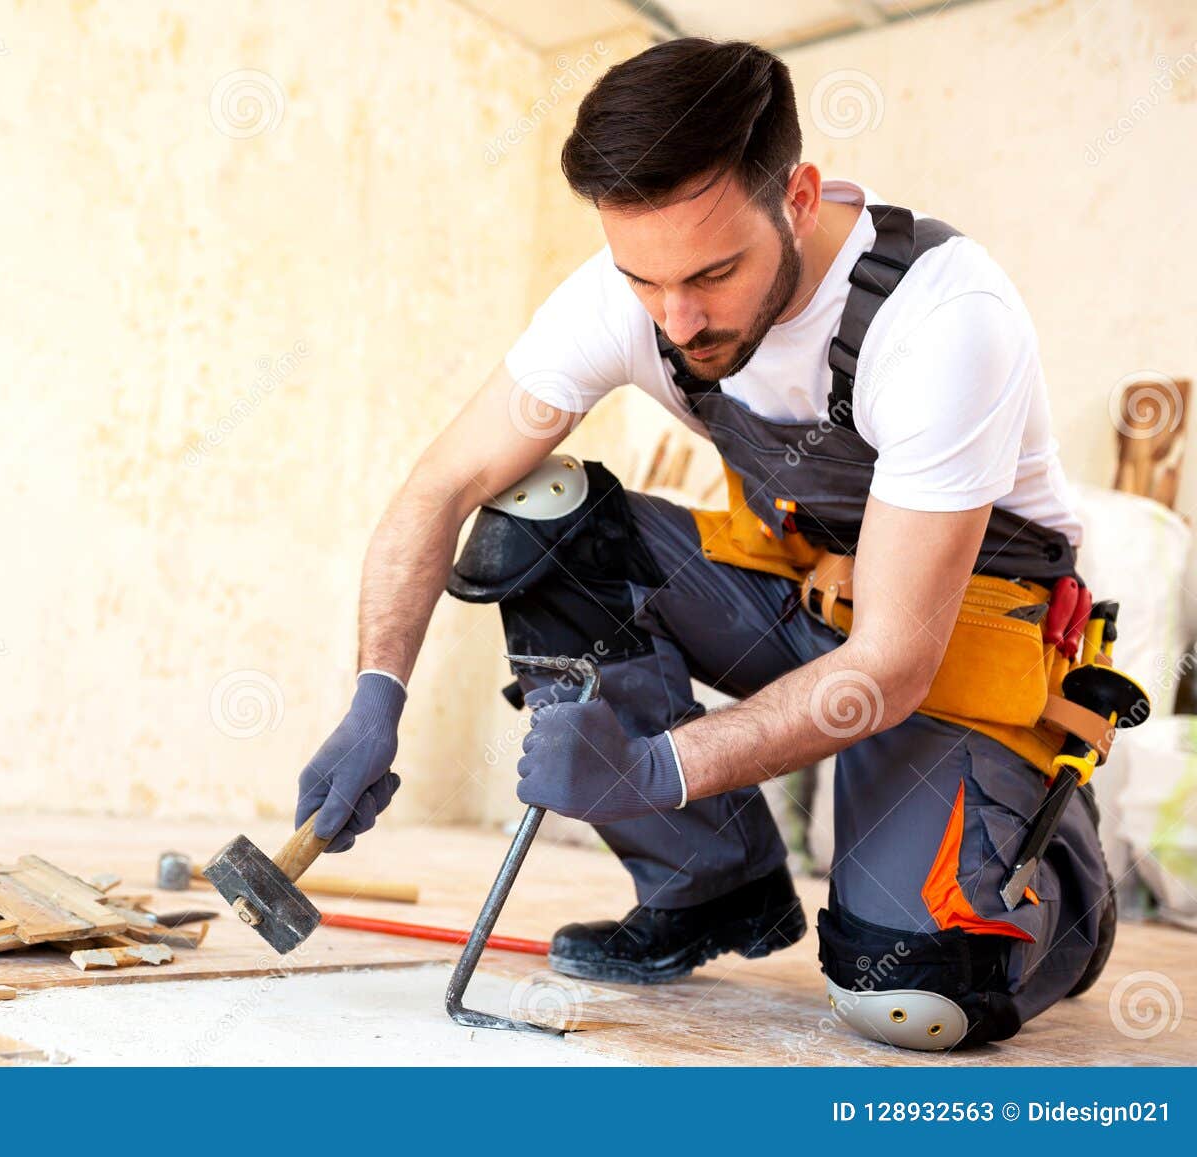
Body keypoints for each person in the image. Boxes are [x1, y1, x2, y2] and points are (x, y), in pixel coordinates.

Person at [293, 38, 1118, 1051]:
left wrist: (656, 768)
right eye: (645, 279)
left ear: (800, 196)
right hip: (805, 599)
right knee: (531, 522)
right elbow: (441, 485)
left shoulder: (945, 321)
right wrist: (377, 695)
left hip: (952, 655)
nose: (677, 318)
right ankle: (708, 883)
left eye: (714, 273)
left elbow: (892, 663)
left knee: (911, 994)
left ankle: (1067, 898)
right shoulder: (629, 294)